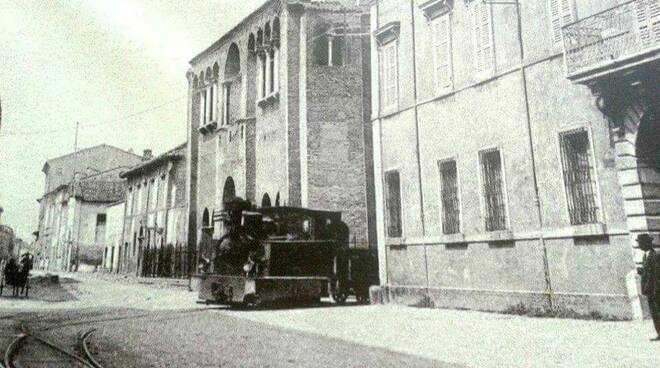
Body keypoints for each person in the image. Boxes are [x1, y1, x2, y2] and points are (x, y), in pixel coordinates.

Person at [637, 234, 660, 341]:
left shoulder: (655, 256)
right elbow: (649, 272)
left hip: (655, 292)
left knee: (658, 312)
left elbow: (657, 275)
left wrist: (656, 291)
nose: (639, 245)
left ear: (647, 244)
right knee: (654, 313)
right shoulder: (645, 256)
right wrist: (642, 272)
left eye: (640, 243)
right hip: (650, 291)